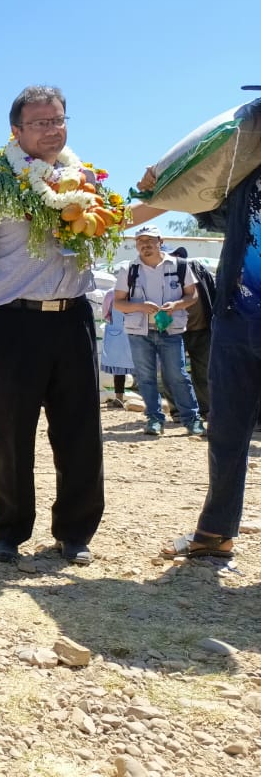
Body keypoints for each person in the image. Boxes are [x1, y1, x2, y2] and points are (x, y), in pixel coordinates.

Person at [0, 85, 103, 566]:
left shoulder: (81, 179)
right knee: (11, 432)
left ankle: (75, 533)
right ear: (16, 131)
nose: (52, 129)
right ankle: (8, 532)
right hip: (16, 323)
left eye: (59, 119)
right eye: (40, 122)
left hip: (74, 317)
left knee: (80, 430)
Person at [138, 165, 261, 561]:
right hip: (236, 318)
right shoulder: (248, 172)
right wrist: (170, 188)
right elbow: (212, 212)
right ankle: (215, 532)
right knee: (224, 432)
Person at [113, 226, 205, 437]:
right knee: (146, 377)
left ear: (160, 241)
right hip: (139, 332)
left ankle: (192, 420)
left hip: (171, 330)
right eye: (140, 241)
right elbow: (119, 302)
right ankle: (154, 419)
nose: (144, 245)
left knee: (178, 376)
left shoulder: (179, 265)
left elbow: (192, 296)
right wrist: (140, 306)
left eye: (149, 240)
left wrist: (177, 305)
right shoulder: (129, 269)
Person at [167, 246, 213, 421]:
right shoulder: (161, 275)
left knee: (203, 371)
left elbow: (212, 292)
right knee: (173, 371)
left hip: (202, 330)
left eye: (178, 257)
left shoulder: (198, 269)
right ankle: (177, 410)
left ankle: (206, 409)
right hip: (175, 331)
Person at [99, 288, 135, 409]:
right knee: (134, 365)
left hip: (118, 333)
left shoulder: (111, 293)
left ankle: (119, 398)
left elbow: (105, 314)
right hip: (133, 331)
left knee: (119, 368)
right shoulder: (135, 292)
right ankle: (120, 399)